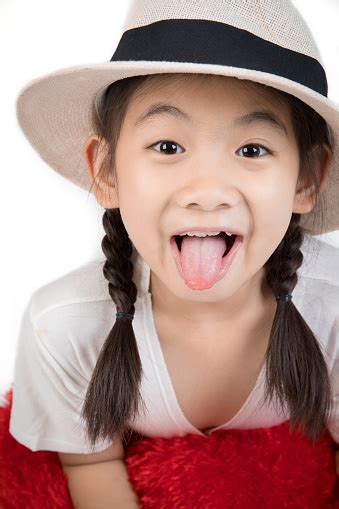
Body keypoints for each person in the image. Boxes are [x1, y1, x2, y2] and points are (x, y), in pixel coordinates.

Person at [8, 0, 339, 507]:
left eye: (252, 150)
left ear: (306, 179)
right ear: (106, 171)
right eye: (167, 147)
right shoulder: (64, 326)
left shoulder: (333, 309)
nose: (207, 192)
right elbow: (92, 460)